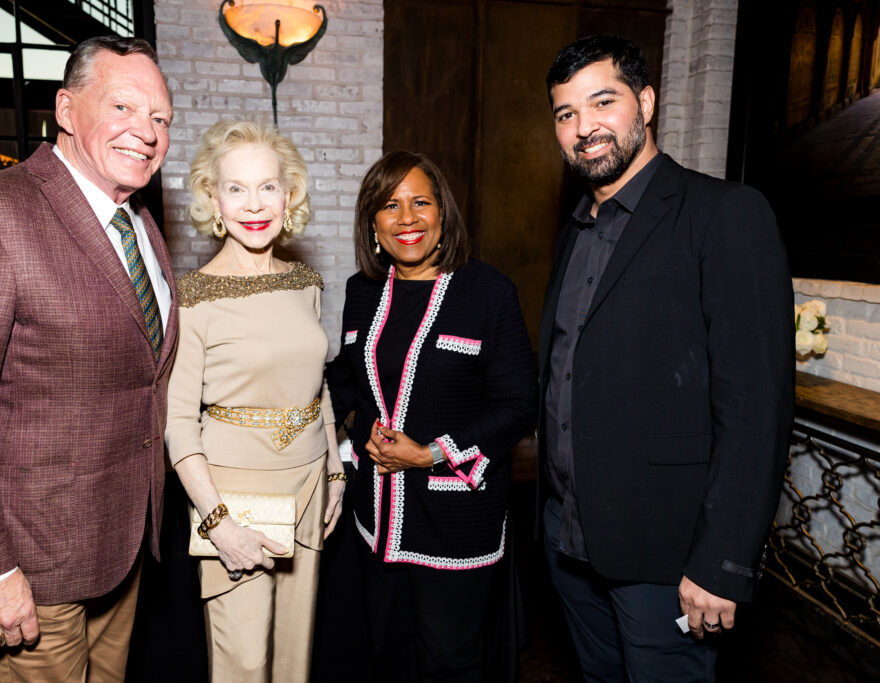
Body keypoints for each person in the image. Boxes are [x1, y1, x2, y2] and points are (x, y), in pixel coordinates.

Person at [0, 36, 177, 681]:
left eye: (160, 118)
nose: (146, 132)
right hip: (31, 566)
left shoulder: (138, 221)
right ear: (65, 109)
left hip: (122, 548)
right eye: (123, 107)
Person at [535, 35, 793, 681]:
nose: (584, 127)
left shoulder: (725, 214)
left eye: (603, 102)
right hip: (568, 536)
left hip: (666, 555)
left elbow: (756, 410)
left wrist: (722, 563)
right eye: (566, 113)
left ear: (646, 102)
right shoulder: (575, 229)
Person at [326, 151, 538, 682]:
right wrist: (266, 416)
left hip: (456, 521)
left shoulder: (488, 293)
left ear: (443, 211)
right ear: (372, 224)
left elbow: (518, 404)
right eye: (389, 206)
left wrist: (430, 453)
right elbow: (346, 382)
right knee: (388, 655)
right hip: (377, 517)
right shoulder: (361, 291)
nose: (407, 218)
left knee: (450, 662)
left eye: (420, 202)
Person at [164, 119, 345, 683]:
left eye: (268, 186)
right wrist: (218, 524)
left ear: (289, 195)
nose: (254, 204)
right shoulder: (193, 298)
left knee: (295, 659)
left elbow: (318, 383)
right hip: (233, 499)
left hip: (310, 486)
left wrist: (335, 471)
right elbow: (178, 423)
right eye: (236, 188)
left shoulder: (306, 283)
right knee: (243, 664)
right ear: (213, 200)